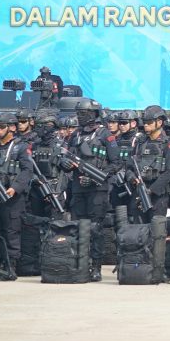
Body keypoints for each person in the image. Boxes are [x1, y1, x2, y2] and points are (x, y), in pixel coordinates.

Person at [65, 99, 117, 281]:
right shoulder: (75, 136)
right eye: (78, 114)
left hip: (97, 190)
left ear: (94, 114)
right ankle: (79, 264)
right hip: (78, 188)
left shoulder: (105, 135)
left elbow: (116, 163)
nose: (80, 117)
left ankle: (96, 266)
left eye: (84, 114)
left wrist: (97, 177)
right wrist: (65, 164)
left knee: (96, 228)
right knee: (78, 227)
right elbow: (67, 159)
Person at [0, 113, 34, 276]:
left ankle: (11, 265)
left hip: (11, 195)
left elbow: (27, 170)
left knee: (12, 231)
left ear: (11, 128)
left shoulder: (20, 146)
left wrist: (15, 187)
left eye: (1, 128)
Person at [126, 105, 170, 222]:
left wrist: (151, 191)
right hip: (139, 191)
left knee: (156, 232)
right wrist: (132, 178)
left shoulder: (168, 144)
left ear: (159, 122)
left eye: (149, 122)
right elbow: (129, 166)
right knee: (138, 232)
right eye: (144, 122)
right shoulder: (140, 142)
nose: (145, 125)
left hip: (157, 196)